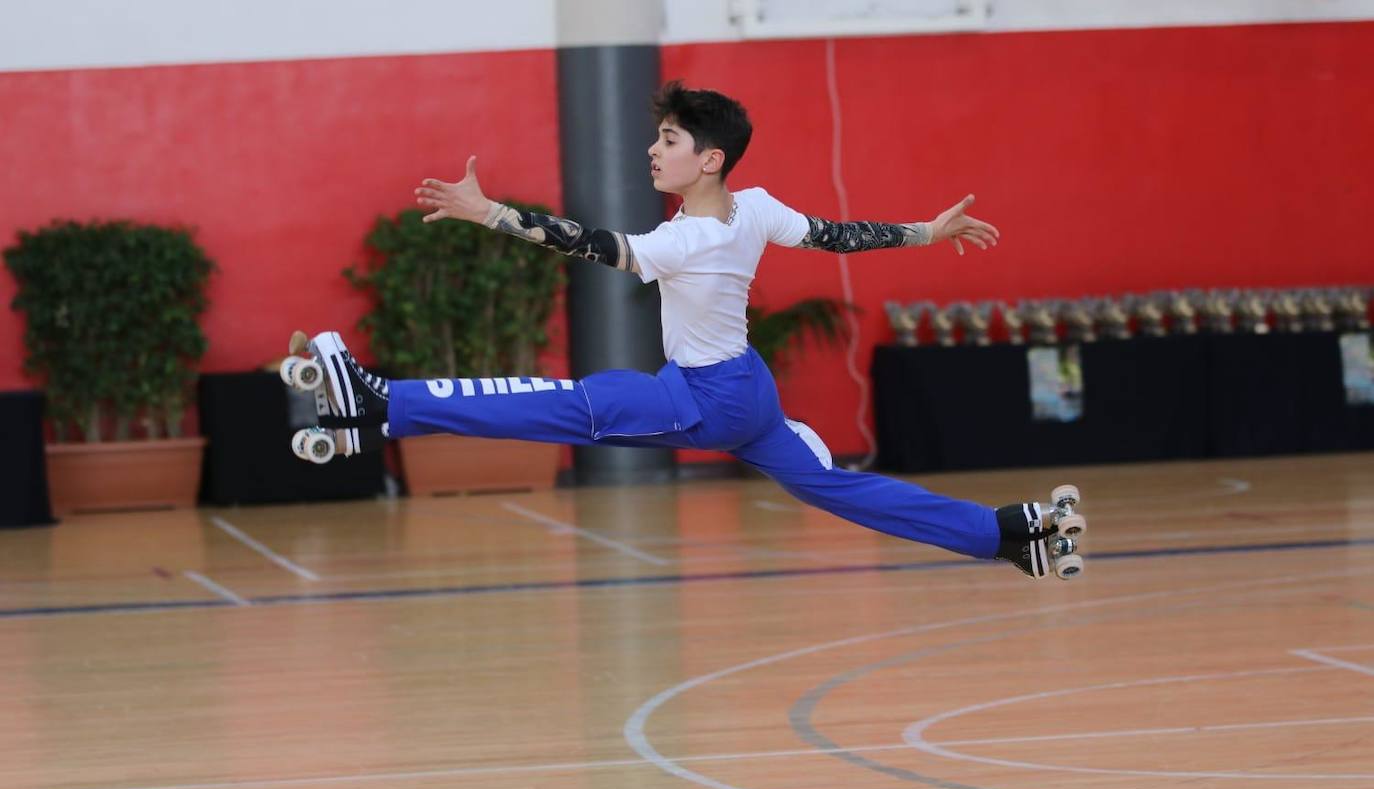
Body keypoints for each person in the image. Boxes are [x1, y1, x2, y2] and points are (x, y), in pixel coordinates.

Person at [296, 81, 1085, 579]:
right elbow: (840, 236)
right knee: (836, 488)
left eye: (668, 140)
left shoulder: (686, 240)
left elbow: (591, 245)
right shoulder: (758, 207)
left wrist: (490, 212)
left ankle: (380, 403)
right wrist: (924, 233)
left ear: (708, 159)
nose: (653, 148)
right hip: (743, 390)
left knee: (567, 406)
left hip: (708, 399)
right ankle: (1006, 534)